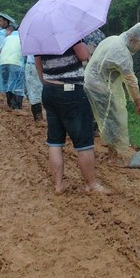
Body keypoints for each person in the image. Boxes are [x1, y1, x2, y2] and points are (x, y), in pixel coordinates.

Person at [36, 37, 107, 196]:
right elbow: (82, 55)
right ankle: (91, 184)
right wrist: (87, 47)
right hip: (70, 91)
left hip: (49, 89)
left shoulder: (40, 36)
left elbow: (38, 64)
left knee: (55, 141)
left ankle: (58, 186)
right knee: (84, 141)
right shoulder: (69, 32)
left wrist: (47, 84)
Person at [84, 23, 140, 166]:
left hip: (91, 80)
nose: (138, 49)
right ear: (132, 40)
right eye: (139, 45)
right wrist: (138, 104)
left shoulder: (113, 39)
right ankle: (112, 159)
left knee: (102, 119)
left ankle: (99, 151)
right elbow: (131, 81)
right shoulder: (122, 53)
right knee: (112, 120)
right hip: (99, 85)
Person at [0, 25, 25, 110]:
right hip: (16, 63)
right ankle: (17, 107)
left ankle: (10, 103)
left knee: (7, 82)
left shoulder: (7, 38)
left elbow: (0, 50)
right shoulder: (23, 39)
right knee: (18, 84)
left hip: (3, 62)